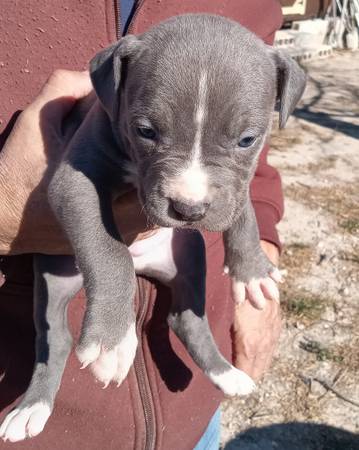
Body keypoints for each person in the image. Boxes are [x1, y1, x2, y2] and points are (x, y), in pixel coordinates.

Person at [0, 1, 283, 448]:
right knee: (50, 303)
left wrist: (255, 248)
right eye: (150, 130)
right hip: (62, 430)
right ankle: (42, 386)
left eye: (245, 137)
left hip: (190, 422)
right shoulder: (115, 89)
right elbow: (74, 183)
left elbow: (233, 174)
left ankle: (204, 356)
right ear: (116, 89)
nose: (192, 193)